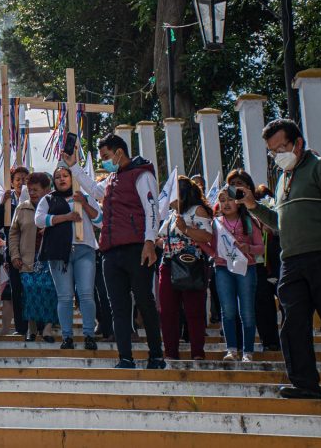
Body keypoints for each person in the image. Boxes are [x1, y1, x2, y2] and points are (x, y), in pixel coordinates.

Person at [249, 119, 321, 400]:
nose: (277, 155)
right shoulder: (283, 179)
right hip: (291, 261)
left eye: (281, 147)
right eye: (272, 151)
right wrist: (253, 207)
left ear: (298, 143)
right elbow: (280, 223)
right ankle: (304, 383)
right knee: (293, 323)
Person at [64, 133, 165, 369]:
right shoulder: (112, 179)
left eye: (106, 156)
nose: (105, 161)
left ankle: (156, 356)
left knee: (144, 301)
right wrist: (74, 167)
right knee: (118, 306)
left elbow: (152, 209)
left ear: (119, 152)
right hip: (111, 251)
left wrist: (149, 241)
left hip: (137, 248)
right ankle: (125, 358)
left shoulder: (142, 174)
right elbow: (94, 190)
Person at [36, 165, 102, 349]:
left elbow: (101, 221)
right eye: (58, 177)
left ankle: (89, 335)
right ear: (53, 181)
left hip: (84, 250)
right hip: (59, 254)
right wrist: (65, 217)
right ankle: (67, 337)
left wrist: (84, 204)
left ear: (73, 178)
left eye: (65, 175)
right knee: (64, 296)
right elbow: (39, 220)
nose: (62, 179)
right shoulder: (48, 199)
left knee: (86, 294)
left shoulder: (84, 196)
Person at [155, 177, 213, 361]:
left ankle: (197, 352)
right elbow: (163, 239)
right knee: (167, 312)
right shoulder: (171, 214)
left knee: (194, 311)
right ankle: (170, 352)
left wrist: (186, 229)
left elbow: (207, 236)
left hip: (191, 265)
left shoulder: (197, 210)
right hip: (168, 265)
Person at [208, 186, 265, 362]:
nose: (226, 203)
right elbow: (208, 244)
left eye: (230, 199)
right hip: (222, 268)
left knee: (247, 311)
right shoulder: (215, 224)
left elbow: (261, 247)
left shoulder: (249, 221)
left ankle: (248, 351)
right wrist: (214, 255)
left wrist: (249, 248)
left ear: (239, 202)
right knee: (228, 310)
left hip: (246, 268)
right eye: (222, 200)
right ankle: (231, 349)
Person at [226, 169, 281, 352]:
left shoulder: (259, 205)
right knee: (239, 305)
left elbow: (274, 226)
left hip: (261, 262)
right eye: (232, 185)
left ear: (249, 187)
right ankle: (242, 345)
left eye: (240, 184)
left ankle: (273, 341)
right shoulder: (226, 207)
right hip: (237, 263)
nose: (236, 188)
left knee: (265, 302)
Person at [8, 171, 53, 342]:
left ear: (46, 190)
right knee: (29, 291)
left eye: (36, 189)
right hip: (27, 258)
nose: (32, 193)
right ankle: (31, 327)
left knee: (49, 291)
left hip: (49, 258)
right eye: (30, 189)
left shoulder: (54, 206)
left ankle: (48, 328)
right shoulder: (22, 208)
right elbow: (13, 234)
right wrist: (15, 255)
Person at [0, 166, 30, 337]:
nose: (21, 182)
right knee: (16, 290)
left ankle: (36, 326)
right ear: (12, 182)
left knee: (31, 288)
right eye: (18, 179)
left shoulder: (35, 199)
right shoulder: (8, 203)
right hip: (12, 251)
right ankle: (20, 327)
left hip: (31, 250)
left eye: (25, 179)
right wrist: (2, 204)